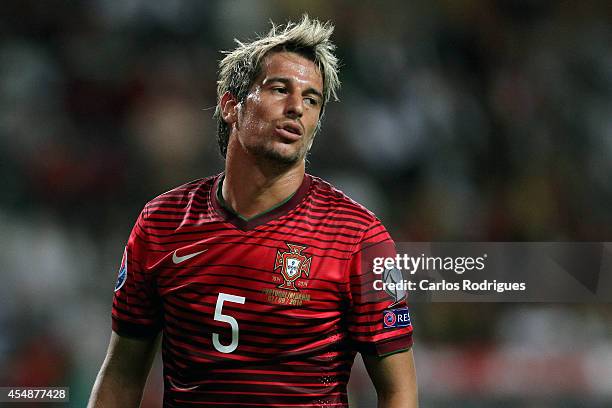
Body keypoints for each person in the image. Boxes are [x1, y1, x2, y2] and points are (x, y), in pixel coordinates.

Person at [88, 15, 417, 408]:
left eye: (312, 99)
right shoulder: (162, 222)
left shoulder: (358, 236)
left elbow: (398, 390)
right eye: (280, 89)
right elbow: (122, 374)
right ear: (231, 104)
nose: (297, 107)